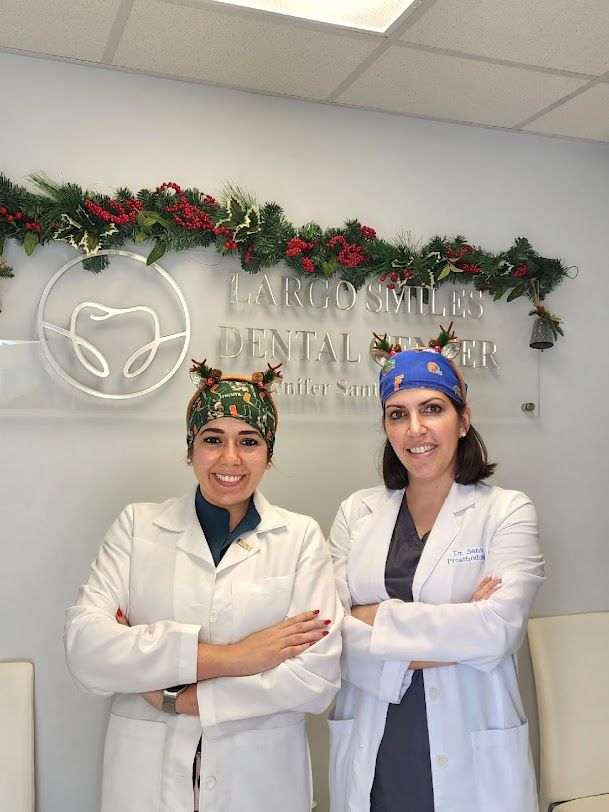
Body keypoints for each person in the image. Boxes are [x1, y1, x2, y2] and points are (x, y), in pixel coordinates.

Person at [65, 359, 342, 812]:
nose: (229, 459)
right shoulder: (137, 528)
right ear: (190, 450)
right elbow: (87, 652)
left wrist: (180, 698)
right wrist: (240, 657)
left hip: (260, 781)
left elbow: (315, 678)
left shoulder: (300, 538)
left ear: (268, 456)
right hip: (146, 779)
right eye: (212, 439)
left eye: (248, 442)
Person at [328, 329, 544, 812]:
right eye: (398, 414)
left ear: (463, 419)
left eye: (432, 409)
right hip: (378, 748)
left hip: (473, 752)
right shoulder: (356, 513)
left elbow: (497, 632)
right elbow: (331, 638)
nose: (415, 429)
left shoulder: (507, 511)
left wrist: (371, 619)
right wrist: (460, 625)